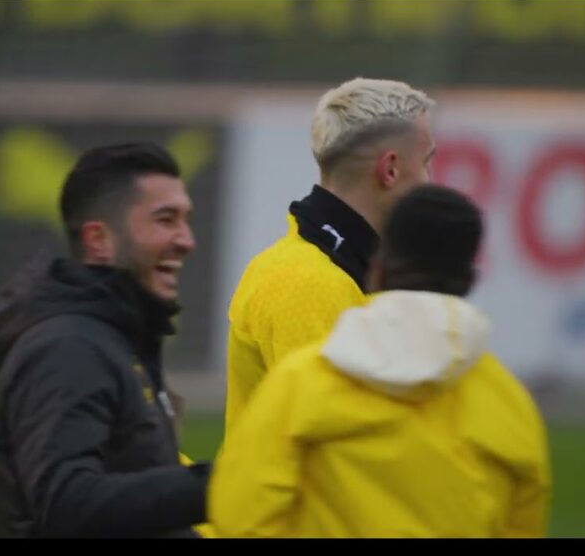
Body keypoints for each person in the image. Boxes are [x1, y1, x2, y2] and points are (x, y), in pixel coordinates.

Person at [209, 185, 552, 538]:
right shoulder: (511, 408)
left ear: (378, 270)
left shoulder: (299, 385)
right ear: (468, 282)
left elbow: (240, 520)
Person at [0, 142, 211, 537]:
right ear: (98, 240)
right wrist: (216, 486)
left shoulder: (115, 338)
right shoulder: (68, 348)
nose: (186, 240)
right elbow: (65, 505)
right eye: (166, 220)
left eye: (186, 220)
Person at [225, 77, 437, 435]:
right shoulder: (306, 283)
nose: (431, 180)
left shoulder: (343, 271)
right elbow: (338, 446)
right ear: (390, 169)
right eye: (427, 162)